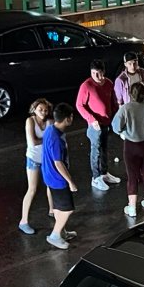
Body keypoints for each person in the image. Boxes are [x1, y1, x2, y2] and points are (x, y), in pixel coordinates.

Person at [111, 81, 144, 218]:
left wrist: (123, 131)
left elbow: (116, 126)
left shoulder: (126, 108)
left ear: (130, 94)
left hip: (132, 146)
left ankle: (132, 207)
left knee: (132, 177)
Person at [76, 60, 121, 191]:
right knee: (95, 150)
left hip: (106, 123)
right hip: (95, 126)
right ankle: (96, 177)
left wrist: (115, 115)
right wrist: (91, 119)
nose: (98, 77)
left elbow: (113, 102)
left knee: (104, 149)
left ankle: (104, 173)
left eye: (100, 74)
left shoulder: (108, 83)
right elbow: (80, 105)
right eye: (95, 74)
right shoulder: (86, 86)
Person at [41, 103, 80, 250]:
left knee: (58, 206)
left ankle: (62, 231)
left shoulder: (50, 129)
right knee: (67, 209)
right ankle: (55, 235)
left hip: (49, 176)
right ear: (67, 119)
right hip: (57, 178)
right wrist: (70, 181)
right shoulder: (56, 138)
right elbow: (58, 163)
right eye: (71, 117)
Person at [18, 98, 54, 235]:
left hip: (46, 158)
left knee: (50, 185)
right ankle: (24, 221)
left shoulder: (49, 122)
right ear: (34, 109)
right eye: (40, 110)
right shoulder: (30, 121)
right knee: (32, 189)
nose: (43, 112)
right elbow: (33, 142)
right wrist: (47, 141)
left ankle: (52, 210)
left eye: (45, 110)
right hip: (33, 159)